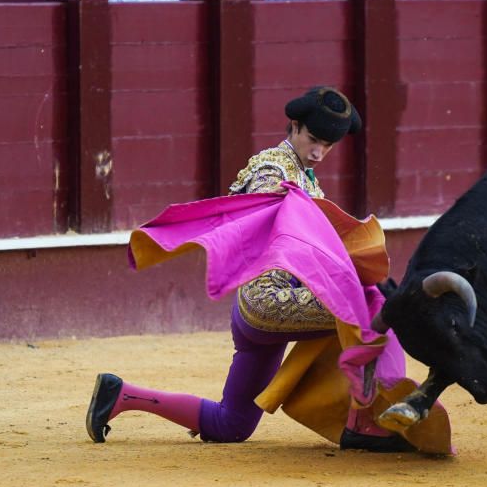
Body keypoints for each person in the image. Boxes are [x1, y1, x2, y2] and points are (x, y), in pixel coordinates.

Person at [86, 87, 419, 452]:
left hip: (257, 314)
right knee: (376, 309)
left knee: (231, 423)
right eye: (313, 140)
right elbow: (270, 219)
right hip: (270, 301)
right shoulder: (272, 168)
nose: (319, 152)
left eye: (328, 145)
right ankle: (373, 419)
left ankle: (120, 396)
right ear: (294, 125)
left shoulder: (305, 176)